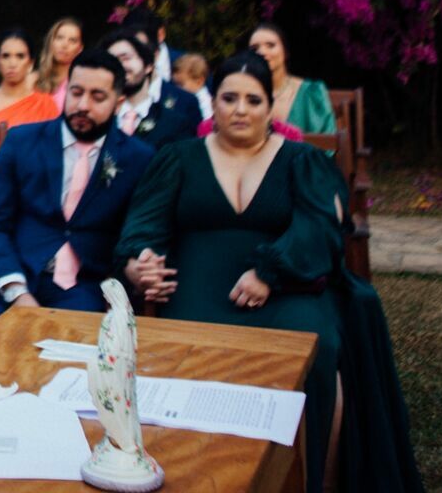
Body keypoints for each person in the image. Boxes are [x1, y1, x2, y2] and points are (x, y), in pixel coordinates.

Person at [117, 52, 423, 492]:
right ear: (213, 103)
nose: (240, 110)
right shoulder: (178, 158)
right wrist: (138, 260)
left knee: (316, 353)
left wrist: (269, 272)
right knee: (187, 354)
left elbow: (320, 226)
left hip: (289, 287)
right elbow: (144, 223)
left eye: (253, 100)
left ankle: (307, 480)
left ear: (270, 106)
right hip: (198, 289)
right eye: (229, 98)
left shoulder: (302, 160)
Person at [0, 47, 157, 347]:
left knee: (70, 359)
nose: (82, 105)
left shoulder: (137, 157)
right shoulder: (22, 141)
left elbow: (136, 232)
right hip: (9, 276)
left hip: (82, 287)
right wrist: (17, 291)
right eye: (76, 92)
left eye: (97, 97)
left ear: (118, 102)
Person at [101, 26, 202, 150]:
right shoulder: (99, 120)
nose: (119, 65)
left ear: (148, 66)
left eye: (126, 58)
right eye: (112, 60)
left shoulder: (175, 123)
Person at [0, 27, 61, 149]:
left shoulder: (45, 103)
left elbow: (54, 147)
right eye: (6, 56)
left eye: (20, 56)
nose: (12, 64)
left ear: (30, 63)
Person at [248, 22, 336, 134]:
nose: (262, 52)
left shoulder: (310, 93)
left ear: (285, 52)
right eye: (254, 49)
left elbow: (327, 141)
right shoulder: (242, 93)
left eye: (270, 45)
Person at [39, 17, 84, 102]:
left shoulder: (82, 82)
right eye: (59, 38)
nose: (64, 45)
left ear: (80, 48)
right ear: (51, 42)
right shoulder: (34, 80)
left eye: (72, 40)